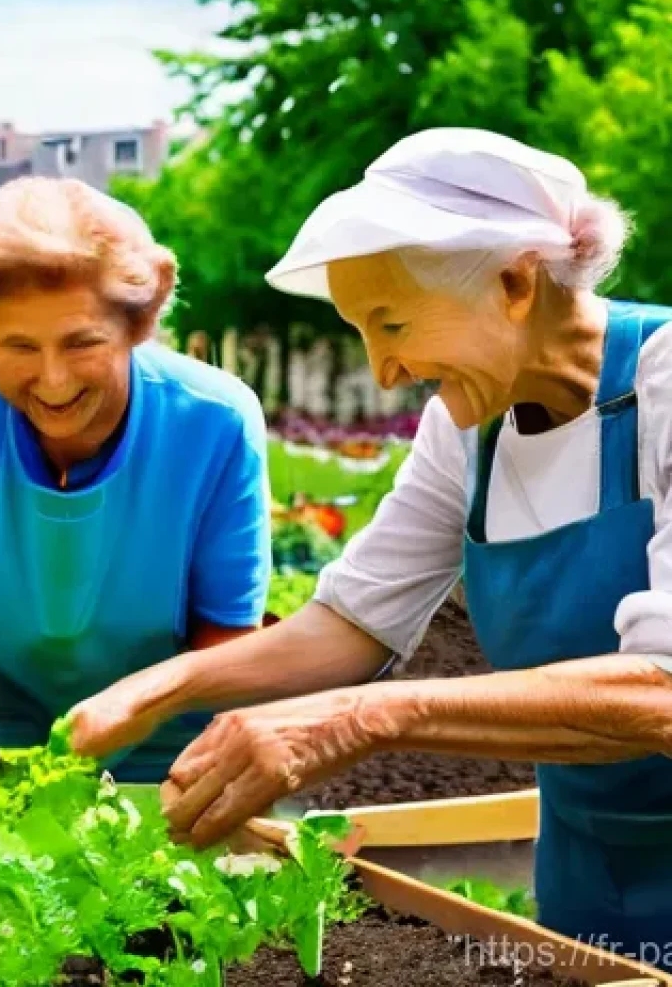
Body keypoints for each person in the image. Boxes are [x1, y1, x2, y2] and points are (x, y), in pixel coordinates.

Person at [69, 128, 672, 969]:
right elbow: (351, 622)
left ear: (514, 281)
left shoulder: (665, 385)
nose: (384, 371)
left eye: (390, 322)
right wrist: (155, 691)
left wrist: (367, 718)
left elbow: (663, 695)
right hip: (580, 877)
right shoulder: (464, 429)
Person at [0, 176, 270, 790]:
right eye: (19, 347)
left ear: (138, 327)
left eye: (82, 343)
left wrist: (136, 705)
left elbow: (229, 637)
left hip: (156, 773)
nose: (52, 381)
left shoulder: (214, 421)